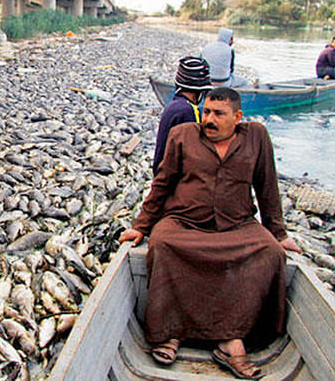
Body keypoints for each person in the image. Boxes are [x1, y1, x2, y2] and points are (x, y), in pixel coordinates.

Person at [119, 87, 301, 380]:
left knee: (269, 253)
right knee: (164, 244)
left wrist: (278, 233)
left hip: (237, 224)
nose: (209, 120)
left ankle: (231, 340)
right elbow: (162, 184)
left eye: (219, 114)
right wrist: (141, 226)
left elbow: (267, 188)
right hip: (185, 221)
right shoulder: (183, 135)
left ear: (237, 117)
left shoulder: (256, 137)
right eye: (206, 112)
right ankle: (171, 331)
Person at [152, 56, 212, 175]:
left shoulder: (173, 106)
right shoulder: (189, 111)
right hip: (173, 180)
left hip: (161, 173)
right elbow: (194, 153)